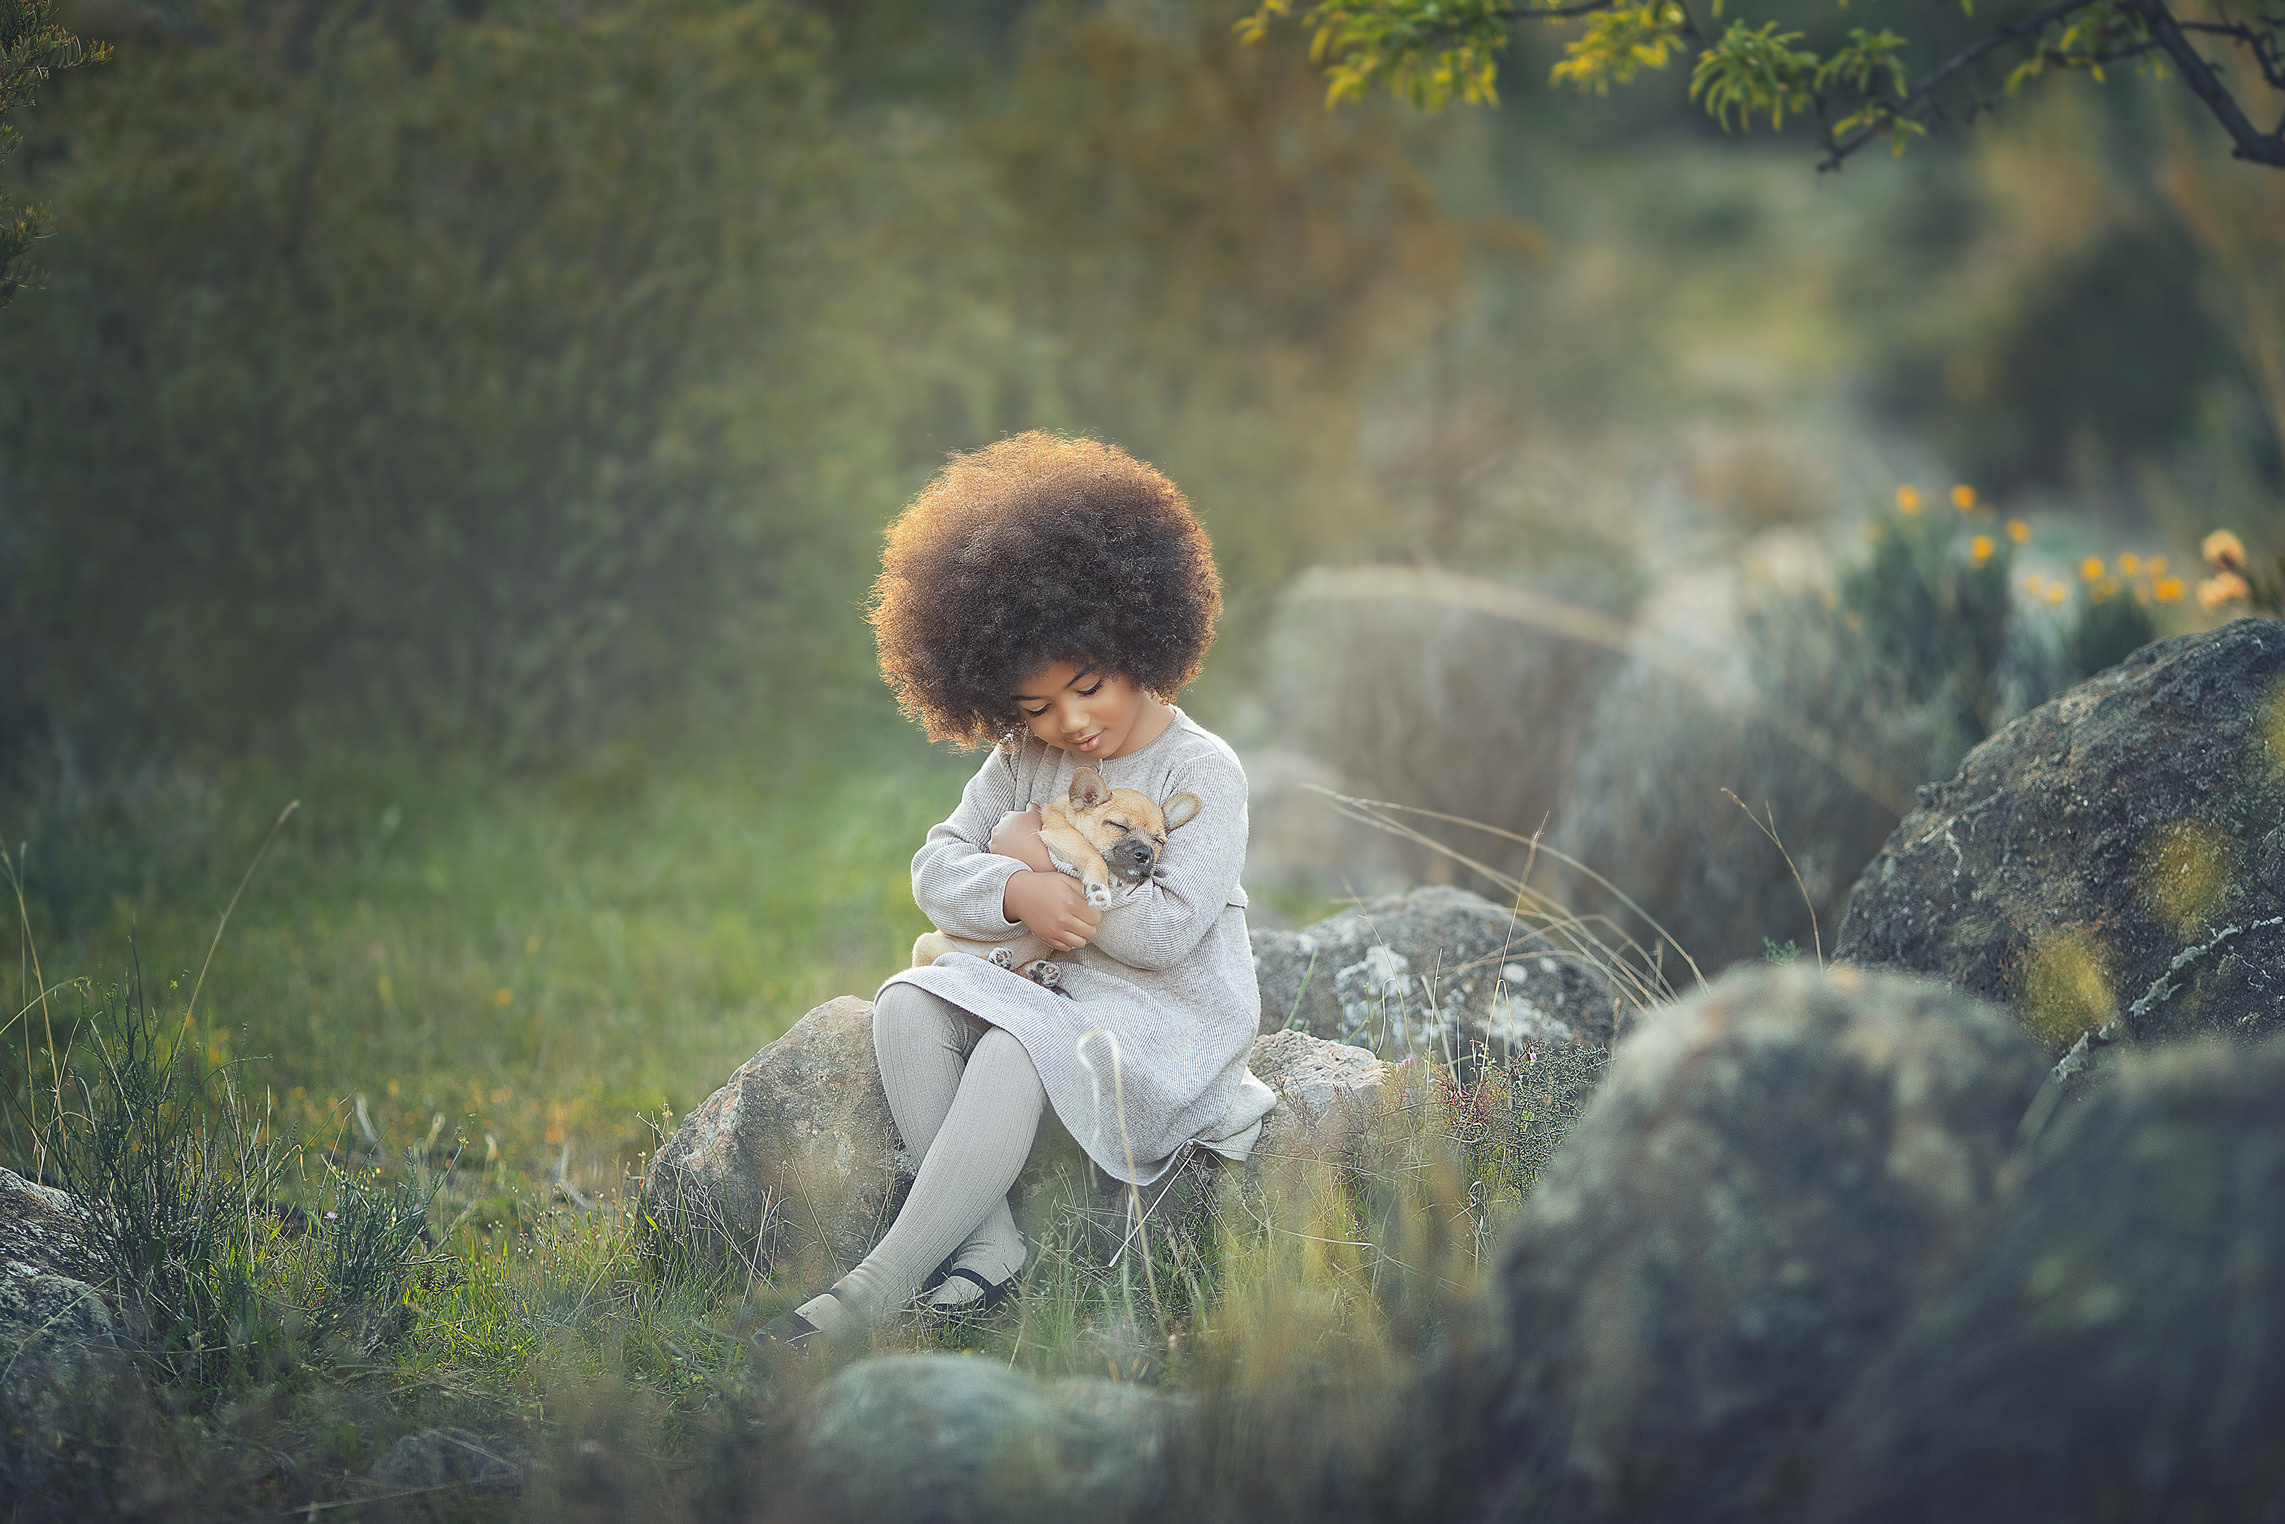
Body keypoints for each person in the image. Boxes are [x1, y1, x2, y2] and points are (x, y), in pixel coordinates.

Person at [771, 431, 1273, 1345]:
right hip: (1045, 988)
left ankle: (870, 1295)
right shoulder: (1021, 759)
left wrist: (1048, 866)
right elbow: (936, 868)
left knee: (1014, 1047)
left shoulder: (1206, 771)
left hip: (1157, 1015)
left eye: (1086, 687)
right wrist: (1011, 894)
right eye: (1035, 707)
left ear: (1141, 640)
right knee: (904, 1007)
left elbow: (1162, 938)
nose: (1068, 724)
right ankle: (989, 1245)